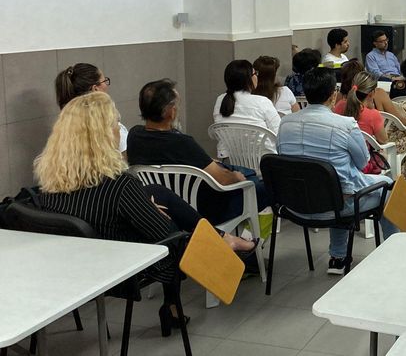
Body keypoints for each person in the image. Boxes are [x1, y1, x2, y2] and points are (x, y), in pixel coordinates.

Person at [36, 92, 255, 335]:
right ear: (100, 137)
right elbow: (166, 236)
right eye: (114, 125)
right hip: (126, 264)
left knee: (155, 191)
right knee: (177, 228)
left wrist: (143, 202)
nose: (119, 132)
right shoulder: (119, 187)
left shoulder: (48, 188)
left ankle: (220, 240)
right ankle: (222, 245)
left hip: (84, 261)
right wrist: (148, 210)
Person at [277, 67, 399, 274]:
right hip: (336, 205)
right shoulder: (345, 125)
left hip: (294, 205)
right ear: (334, 94)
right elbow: (363, 163)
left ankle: (338, 257)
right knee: (388, 187)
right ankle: (395, 252)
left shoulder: (284, 123)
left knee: (335, 185)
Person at [127, 79, 274, 225]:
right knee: (264, 187)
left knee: (248, 174)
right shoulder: (182, 143)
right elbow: (222, 179)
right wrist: (236, 177)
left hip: (163, 207)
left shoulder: (134, 135)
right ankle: (250, 240)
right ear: (170, 112)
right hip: (205, 209)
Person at [55, 63, 128, 155]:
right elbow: (124, 163)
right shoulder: (113, 128)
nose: (106, 85)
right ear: (95, 89)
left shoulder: (62, 129)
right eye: (104, 81)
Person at [213, 59, 281, 156]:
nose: (257, 76)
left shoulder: (220, 100)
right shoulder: (262, 101)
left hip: (231, 161)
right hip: (263, 160)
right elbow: (279, 133)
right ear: (248, 79)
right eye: (255, 73)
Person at [334, 71, 388, 144]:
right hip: (364, 154)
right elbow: (383, 140)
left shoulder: (340, 105)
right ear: (372, 93)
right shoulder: (373, 115)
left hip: (341, 150)